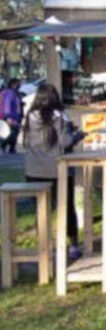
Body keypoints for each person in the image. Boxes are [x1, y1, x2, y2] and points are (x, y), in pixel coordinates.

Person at [22, 84, 85, 259]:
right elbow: (65, 142)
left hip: (34, 171)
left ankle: (44, 248)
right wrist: (78, 134)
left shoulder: (29, 116)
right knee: (66, 208)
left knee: (42, 211)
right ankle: (72, 245)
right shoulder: (60, 116)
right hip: (58, 170)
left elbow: (26, 141)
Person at [1, 78, 23, 153]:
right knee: (12, 132)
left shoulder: (14, 93)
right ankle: (4, 144)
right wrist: (8, 117)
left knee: (14, 132)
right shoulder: (9, 93)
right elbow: (7, 106)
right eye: (18, 84)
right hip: (11, 117)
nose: (20, 85)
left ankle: (11, 147)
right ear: (13, 85)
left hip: (15, 116)